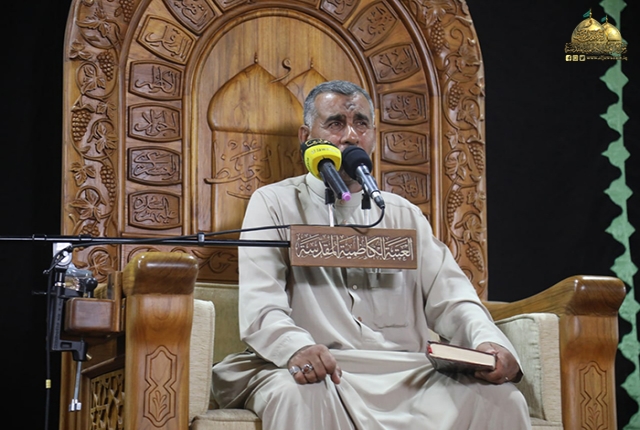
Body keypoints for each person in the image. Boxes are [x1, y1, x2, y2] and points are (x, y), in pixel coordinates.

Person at [211, 80, 531, 429]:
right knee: (296, 394)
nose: (351, 136)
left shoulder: (402, 213)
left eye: (361, 123)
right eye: (335, 123)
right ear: (306, 137)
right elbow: (262, 306)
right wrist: (295, 348)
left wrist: (488, 343)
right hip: (322, 368)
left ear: (374, 137)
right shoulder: (275, 203)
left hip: (407, 372)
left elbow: (454, 299)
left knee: (504, 400)